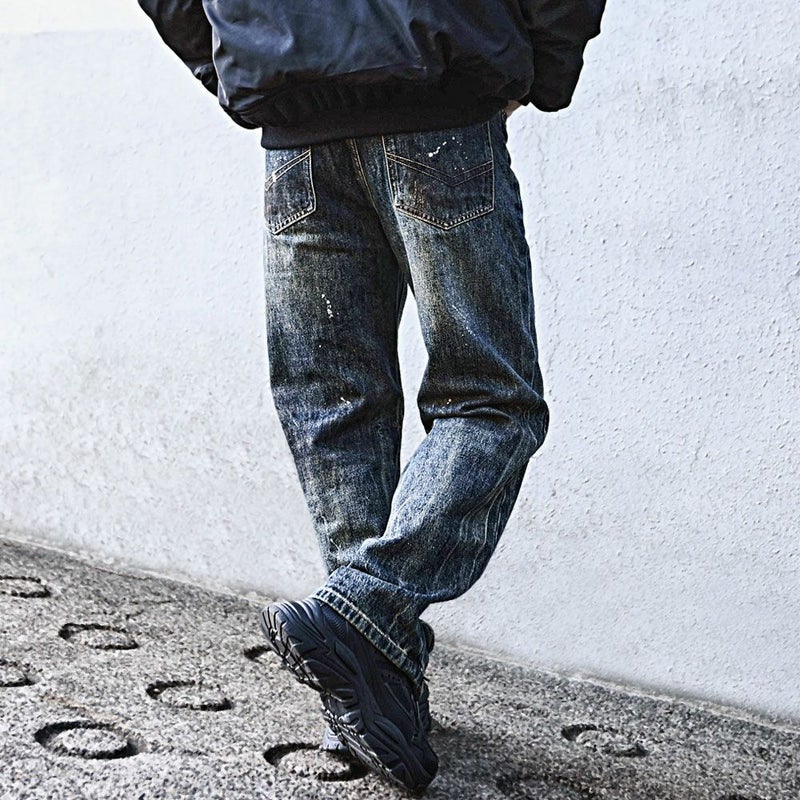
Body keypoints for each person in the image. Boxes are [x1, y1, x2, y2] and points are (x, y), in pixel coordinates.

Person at [138, 0, 606, 792]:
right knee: (489, 399)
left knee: (334, 407)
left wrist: (250, 59)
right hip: (437, 102)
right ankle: (362, 616)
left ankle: (371, 686)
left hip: (296, 126)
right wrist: (541, 69)